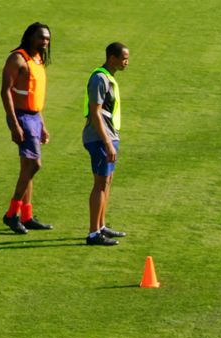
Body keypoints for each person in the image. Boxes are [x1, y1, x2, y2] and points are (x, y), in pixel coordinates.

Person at [0, 22, 53, 234]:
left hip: (33, 117)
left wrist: (42, 125)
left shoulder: (37, 59)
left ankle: (27, 215)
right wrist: (14, 124)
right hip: (21, 118)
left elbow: (33, 95)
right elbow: (5, 92)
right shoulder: (17, 59)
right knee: (34, 165)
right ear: (30, 37)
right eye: (41, 37)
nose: (45, 42)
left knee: (27, 167)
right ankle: (12, 214)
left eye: (47, 38)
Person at [83, 42, 130, 246]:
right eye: (124, 58)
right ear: (112, 58)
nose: (127, 62)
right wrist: (108, 143)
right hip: (100, 138)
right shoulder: (99, 79)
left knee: (107, 181)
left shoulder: (108, 78)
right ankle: (93, 233)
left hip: (109, 136)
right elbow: (95, 113)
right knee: (100, 184)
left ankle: (101, 226)